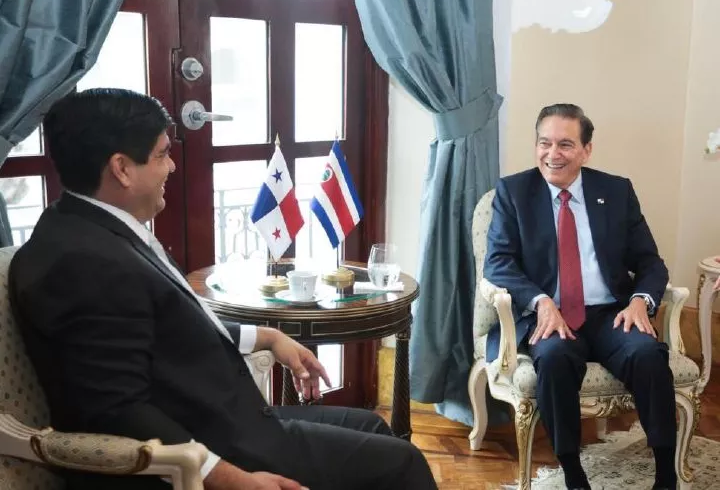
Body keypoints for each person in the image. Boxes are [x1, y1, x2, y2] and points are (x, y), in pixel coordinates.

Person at [9, 88, 437, 490]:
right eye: (162, 154)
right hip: (211, 450)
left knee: (374, 426)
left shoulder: (89, 229)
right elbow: (117, 409)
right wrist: (232, 479)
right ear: (121, 168)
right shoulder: (81, 264)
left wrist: (267, 336)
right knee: (403, 463)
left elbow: (168, 330)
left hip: (230, 422)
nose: (172, 167)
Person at [484, 104, 676, 490]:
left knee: (647, 354)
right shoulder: (514, 192)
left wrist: (640, 300)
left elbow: (649, 261)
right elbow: (498, 263)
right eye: (544, 143)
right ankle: (573, 473)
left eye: (565, 144)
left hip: (610, 314)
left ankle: (665, 474)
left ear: (587, 150)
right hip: (550, 313)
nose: (552, 154)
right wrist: (541, 302)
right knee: (554, 358)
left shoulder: (616, 191)